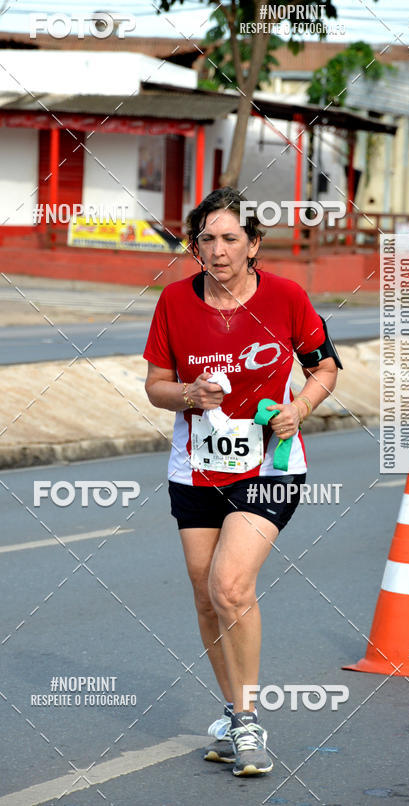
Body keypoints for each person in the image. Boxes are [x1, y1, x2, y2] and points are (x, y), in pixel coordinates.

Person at [143, 187, 341, 776]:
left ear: (254, 244)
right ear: (194, 245)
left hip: (271, 466)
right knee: (207, 596)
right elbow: (155, 385)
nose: (218, 249)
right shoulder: (175, 302)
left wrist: (299, 408)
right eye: (206, 238)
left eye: (231, 238)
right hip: (196, 468)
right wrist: (187, 393)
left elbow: (326, 366)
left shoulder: (285, 298)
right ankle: (234, 712)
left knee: (231, 586)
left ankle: (249, 719)